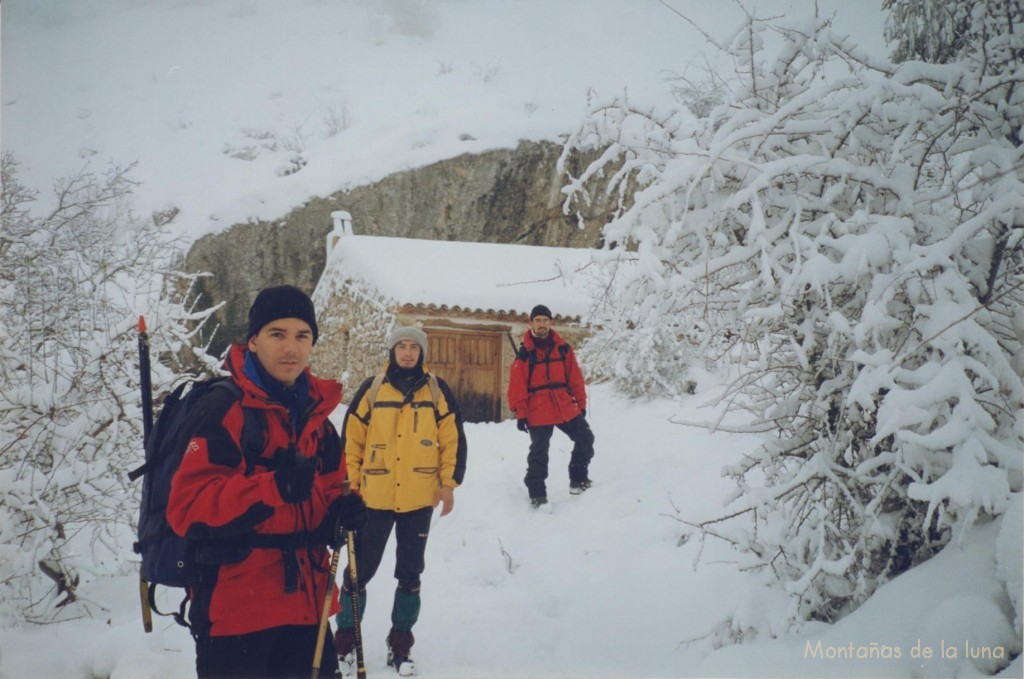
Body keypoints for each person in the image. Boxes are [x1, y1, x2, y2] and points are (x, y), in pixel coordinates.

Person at [167, 284, 368, 679]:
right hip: (237, 614)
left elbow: (328, 491)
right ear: (254, 341)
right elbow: (187, 509)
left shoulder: (319, 422)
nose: (290, 348)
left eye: (301, 336)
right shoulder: (223, 410)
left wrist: (341, 514)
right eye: (277, 334)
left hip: (307, 611)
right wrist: (271, 489)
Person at [334, 325, 467, 677]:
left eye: (414, 347)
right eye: (401, 346)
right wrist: (349, 487)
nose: (407, 353)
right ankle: (346, 642)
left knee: (410, 573)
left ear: (422, 353)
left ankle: (400, 645)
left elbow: (451, 439)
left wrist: (448, 483)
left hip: (418, 497)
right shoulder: (373, 389)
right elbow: (352, 442)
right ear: (392, 351)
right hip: (373, 497)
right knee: (358, 572)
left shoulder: (437, 391)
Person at [507, 304, 595, 508]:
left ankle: (578, 479)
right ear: (531, 324)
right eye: (538, 320)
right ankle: (537, 494)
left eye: (545, 320)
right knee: (539, 452)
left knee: (585, 438)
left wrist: (580, 404)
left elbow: (575, 379)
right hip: (538, 408)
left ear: (550, 323)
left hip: (563, 405)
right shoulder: (525, 353)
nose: (542, 324)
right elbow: (517, 386)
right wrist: (520, 413)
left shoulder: (563, 349)